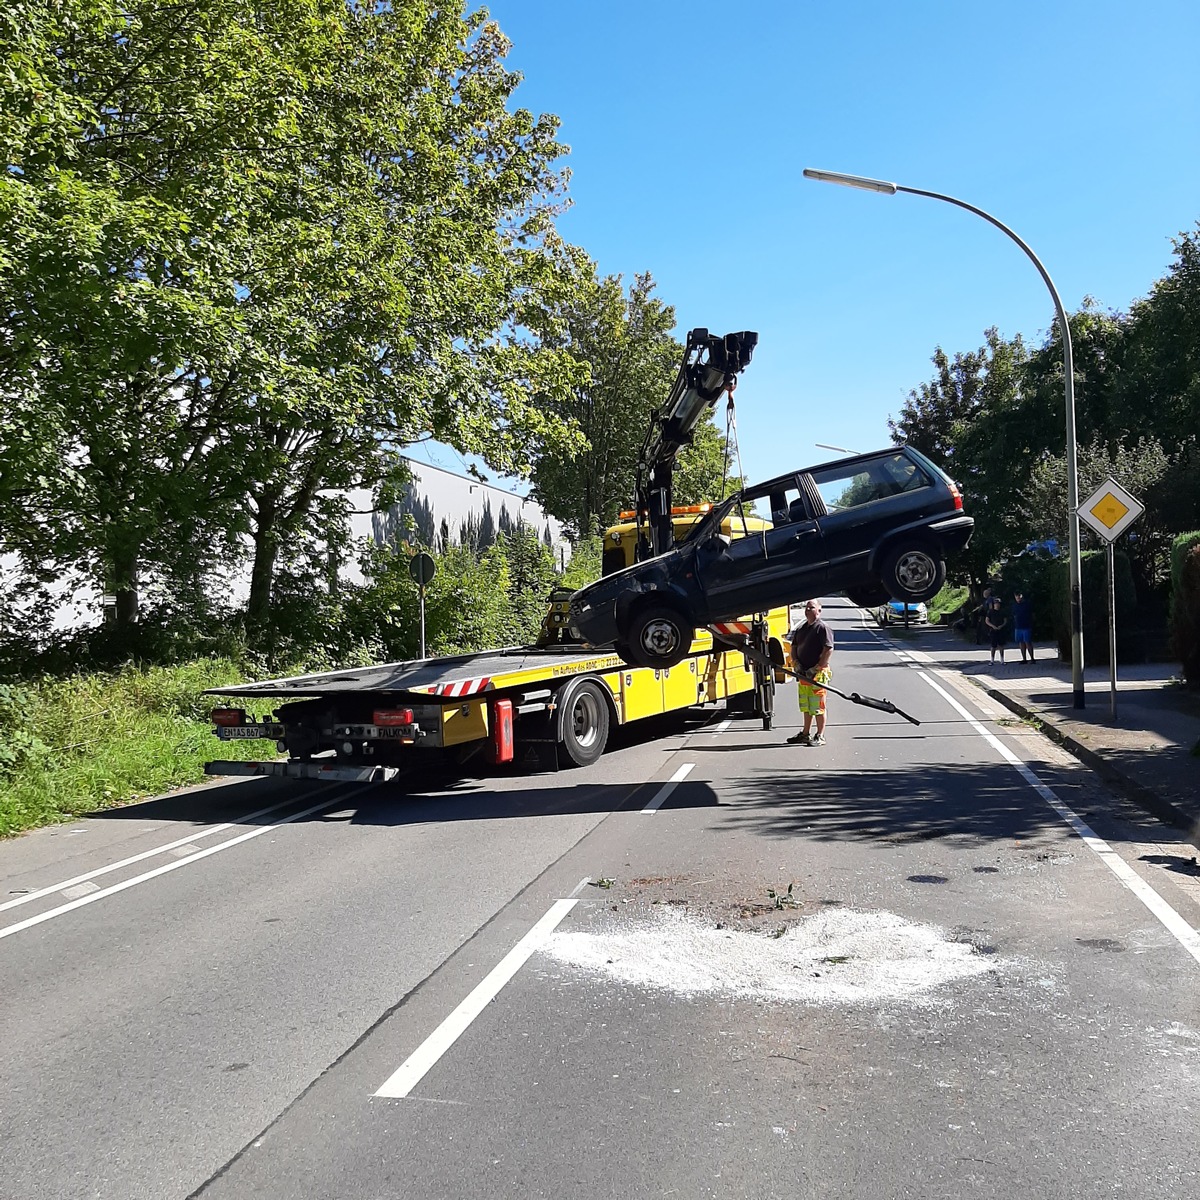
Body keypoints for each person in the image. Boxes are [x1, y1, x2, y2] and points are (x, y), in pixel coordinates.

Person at [787, 599, 834, 747]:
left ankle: (820, 735)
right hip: (803, 673)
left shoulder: (822, 628)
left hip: (817, 674)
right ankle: (805, 733)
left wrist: (817, 667)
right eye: (806, 608)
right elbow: (793, 646)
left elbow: (828, 648)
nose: (808, 610)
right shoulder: (802, 628)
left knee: (818, 706)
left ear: (819, 611)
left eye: (811, 608)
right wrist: (795, 662)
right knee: (806, 705)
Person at [1011, 591, 1034, 663]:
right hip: (1018, 626)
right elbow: (1013, 615)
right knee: (1021, 642)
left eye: (1019, 596)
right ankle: (1024, 659)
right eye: (1016, 596)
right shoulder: (1014, 605)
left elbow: (1032, 614)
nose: (1018, 598)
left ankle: (1032, 658)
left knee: (1027, 642)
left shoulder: (1027, 604)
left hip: (1026, 626)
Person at [985, 595, 1008, 664]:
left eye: (998, 603)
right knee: (993, 646)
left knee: (1001, 645)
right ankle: (992, 660)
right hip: (993, 630)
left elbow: (1005, 621)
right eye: (996, 603)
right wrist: (992, 626)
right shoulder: (990, 612)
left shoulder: (1002, 612)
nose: (997, 605)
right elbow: (987, 621)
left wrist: (1001, 626)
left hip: (1001, 630)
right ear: (994, 604)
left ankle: (1002, 660)